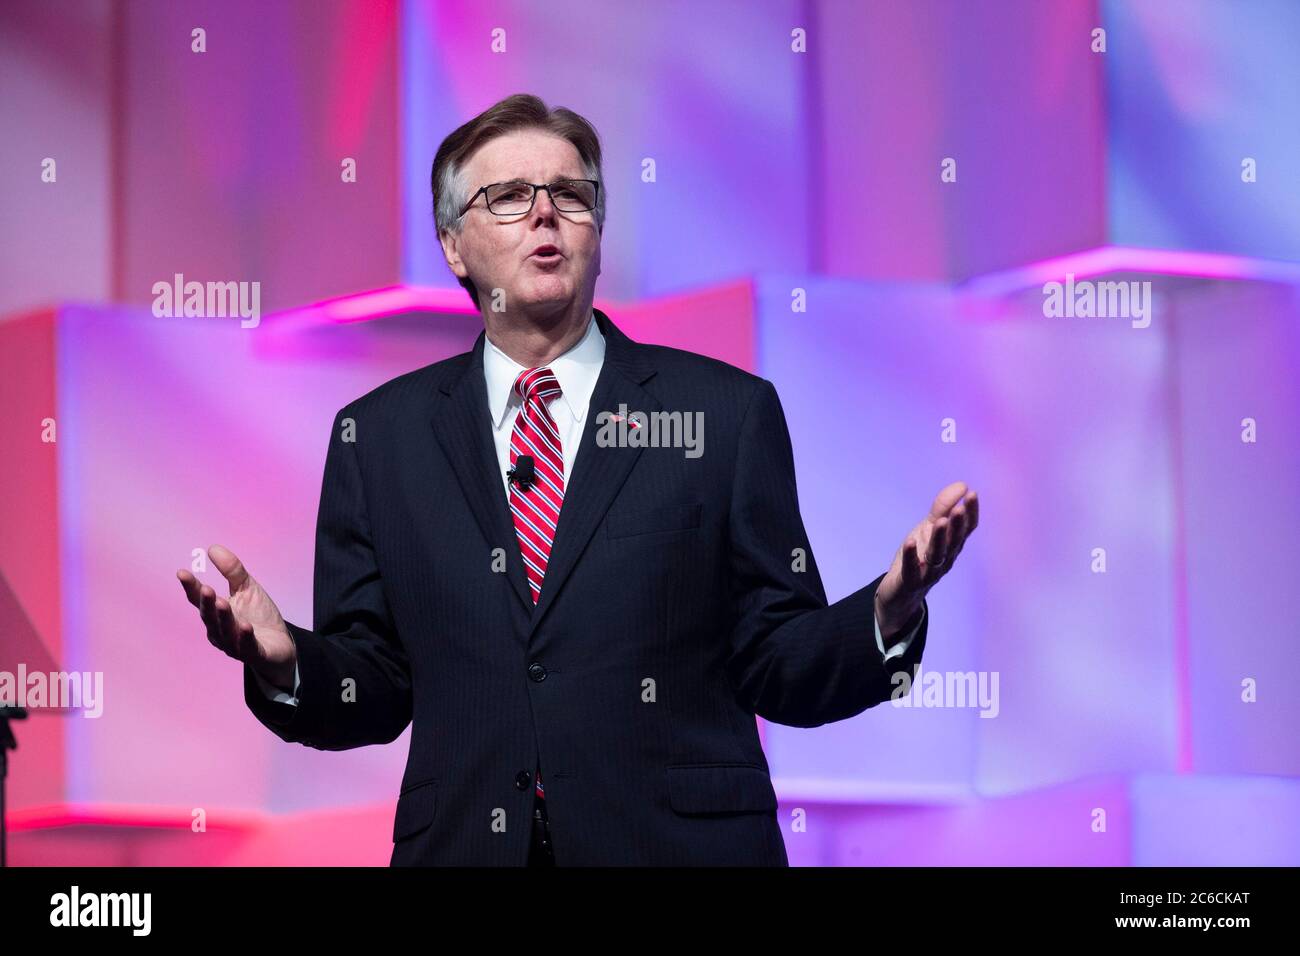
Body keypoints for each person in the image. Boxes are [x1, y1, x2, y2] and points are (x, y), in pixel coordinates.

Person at [176, 93, 978, 866]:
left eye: (570, 193)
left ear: (599, 229)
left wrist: (888, 611)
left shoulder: (724, 415)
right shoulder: (379, 439)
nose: (546, 212)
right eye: (509, 196)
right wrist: (285, 663)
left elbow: (782, 661)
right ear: (453, 246)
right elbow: (376, 686)